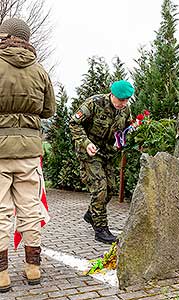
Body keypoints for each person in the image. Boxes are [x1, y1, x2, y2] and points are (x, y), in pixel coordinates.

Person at [0, 18, 56, 292]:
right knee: (30, 209)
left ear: (6, 36)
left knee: (0, 212)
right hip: (30, 152)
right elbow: (48, 110)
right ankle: (33, 268)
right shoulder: (40, 70)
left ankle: (2, 275)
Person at [69, 80, 134, 244]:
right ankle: (101, 229)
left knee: (111, 188)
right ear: (112, 95)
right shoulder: (94, 103)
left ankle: (92, 214)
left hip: (107, 154)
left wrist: (134, 131)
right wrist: (85, 143)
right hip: (90, 153)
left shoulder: (125, 109)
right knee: (100, 189)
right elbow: (74, 123)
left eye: (126, 100)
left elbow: (128, 126)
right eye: (120, 100)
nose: (123, 103)